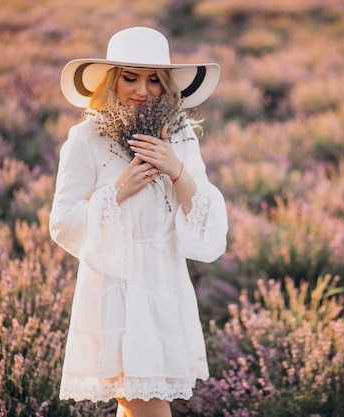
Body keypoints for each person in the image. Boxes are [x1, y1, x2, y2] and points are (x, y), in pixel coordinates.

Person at [49, 27, 228, 417]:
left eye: (153, 80)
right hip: (115, 290)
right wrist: (118, 191)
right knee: (148, 408)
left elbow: (209, 225)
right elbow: (62, 223)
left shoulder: (180, 137)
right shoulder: (86, 137)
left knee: (136, 409)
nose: (142, 90)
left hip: (166, 284)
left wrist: (176, 169)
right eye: (130, 77)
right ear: (111, 80)